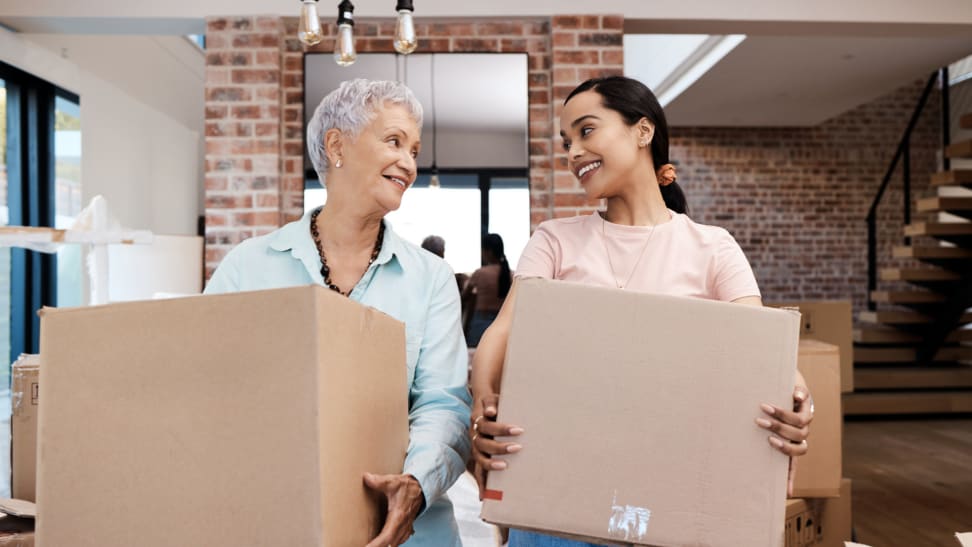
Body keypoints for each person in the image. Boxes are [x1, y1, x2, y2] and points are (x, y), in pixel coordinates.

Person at [468, 76, 814, 547]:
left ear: (643, 131)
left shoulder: (712, 248)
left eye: (586, 131)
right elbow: (502, 334)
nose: (572, 153)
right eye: (566, 142)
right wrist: (483, 408)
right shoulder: (554, 240)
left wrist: (795, 401)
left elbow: (763, 355)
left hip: (673, 505)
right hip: (560, 504)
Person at [205, 79, 471, 547]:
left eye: (414, 149)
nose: (408, 163)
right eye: (394, 141)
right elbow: (207, 389)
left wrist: (415, 486)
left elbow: (444, 405)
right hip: (276, 522)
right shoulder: (248, 266)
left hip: (408, 533)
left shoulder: (431, 278)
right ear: (336, 146)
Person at [462, 233, 512, 347]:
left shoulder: (480, 273)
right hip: (505, 323)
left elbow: (464, 296)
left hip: (481, 323)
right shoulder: (511, 275)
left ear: (488, 251)